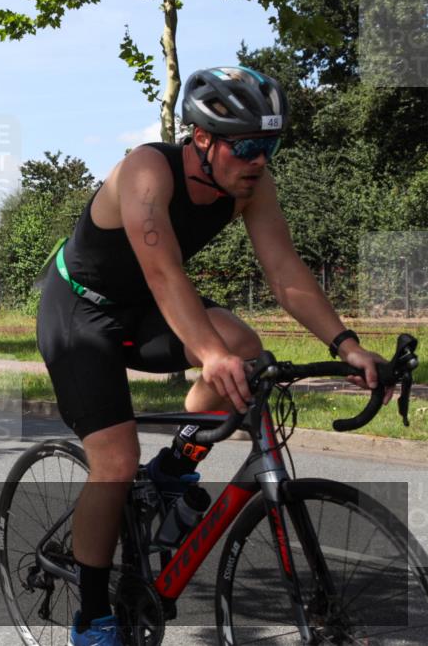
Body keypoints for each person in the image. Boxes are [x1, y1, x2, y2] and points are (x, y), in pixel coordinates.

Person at [35, 66, 387, 646]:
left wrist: (345, 345)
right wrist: (207, 353)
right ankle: (93, 620)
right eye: (247, 144)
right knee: (116, 463)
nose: (258, 159)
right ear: (201, 138)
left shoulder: (251, 184)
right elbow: (163, 269)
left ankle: (174, 470)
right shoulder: (148, 170)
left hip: (146, 308)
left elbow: (284, 271)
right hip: (82, 312)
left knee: (245, 349)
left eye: (269, 145)